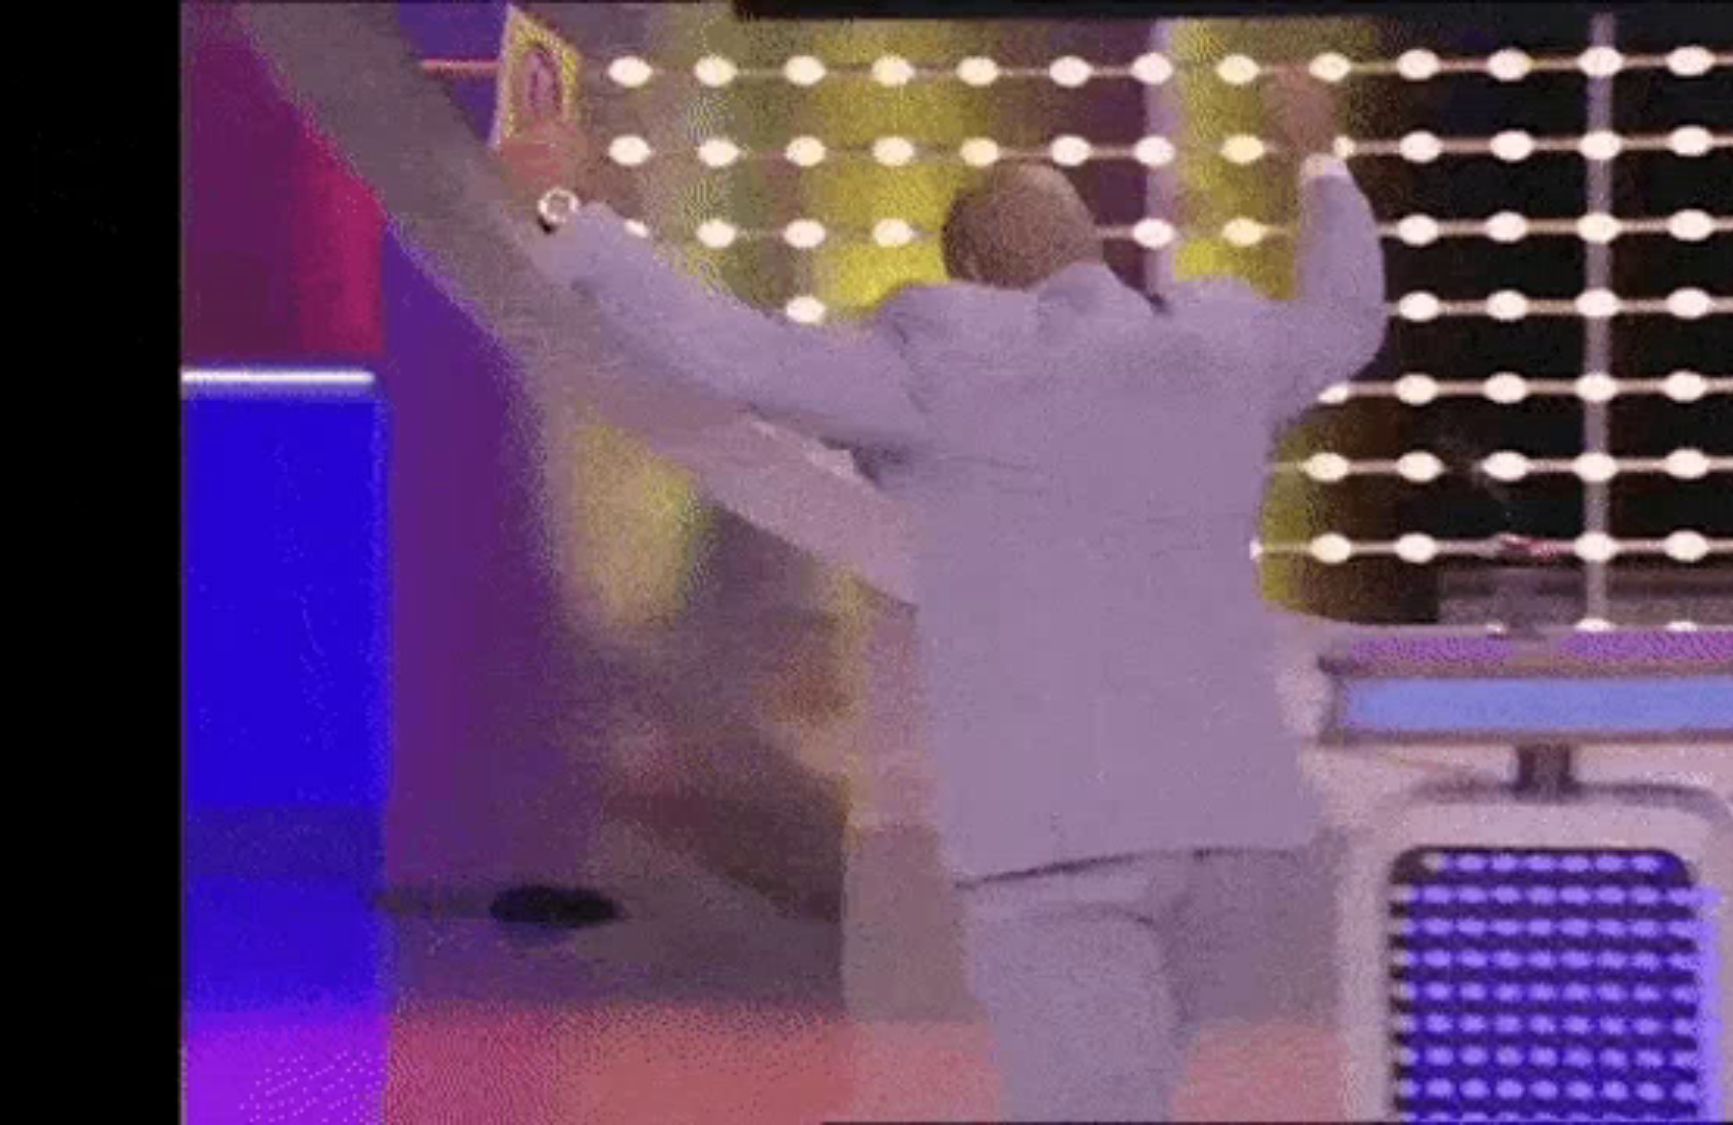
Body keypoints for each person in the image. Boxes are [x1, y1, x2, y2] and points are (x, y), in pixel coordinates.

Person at [496, 69, 1386, 1121]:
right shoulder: (1220, 352)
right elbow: (1346, 321)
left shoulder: (940, 371)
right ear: (1089, 252)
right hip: (1236, 827)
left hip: (1062, 838)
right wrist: (1320, 157)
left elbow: (727, 351)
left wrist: (564, 211)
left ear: (969, 275)